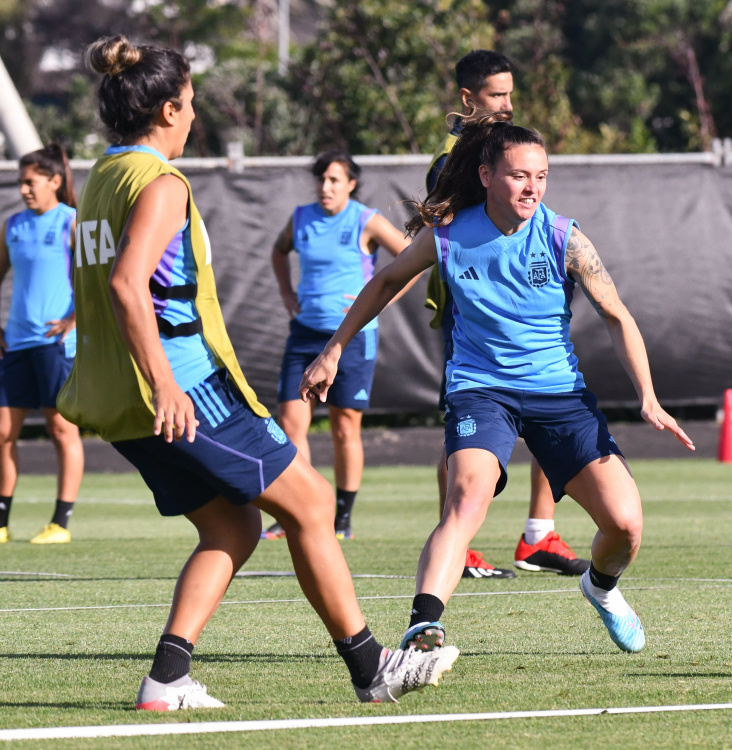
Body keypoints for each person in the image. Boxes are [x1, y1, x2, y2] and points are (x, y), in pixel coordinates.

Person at [58, 34, 458, 710]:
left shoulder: (103, 176)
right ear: (164, 111)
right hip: (184, 389)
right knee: (310, 505)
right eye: (187, 105)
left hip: (120, 397)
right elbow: (128, 286)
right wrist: (165, 382)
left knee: (234, 528)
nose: (192, 117)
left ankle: (166, 678)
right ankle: (372, 667)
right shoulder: (158, 181)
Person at [299, 111, 695, 656]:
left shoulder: (564, 237)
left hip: (559, 395)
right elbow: (387, 280)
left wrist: (648, 397)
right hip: (480, 390)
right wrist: (333, 350)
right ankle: (423, 627)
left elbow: (617, 316)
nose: (532, 186)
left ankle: (600, 588)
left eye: (541, 175)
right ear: (486, 176)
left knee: (625, 526)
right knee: (466, 500)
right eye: (518, 175)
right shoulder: (449, 234)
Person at [426, 49, 589, 579]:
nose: (507, 104)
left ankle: (539, 534)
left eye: (511, 93)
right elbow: (447, 236)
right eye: (497, 95)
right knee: (465, 431)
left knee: (550, 399)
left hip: (532, 304)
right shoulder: (454, 161)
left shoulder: (515, 148)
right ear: (469, 99)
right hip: (475, 313)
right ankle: (460, 537)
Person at [261, 151, 409, 542]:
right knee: (291, 423)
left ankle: (342, 517)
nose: (325, 187)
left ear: (351, 184)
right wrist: (286, 293)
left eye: (334, 180)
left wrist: (383, 300)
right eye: (321, 179)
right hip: (305, 335)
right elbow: (278, 251)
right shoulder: (301, 218)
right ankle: (298, 509)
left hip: (353, 339)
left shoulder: (365, 219)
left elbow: (411, 259)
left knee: (345, 427)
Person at [0, 144, 84, 545]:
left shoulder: (71, 222)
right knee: (2, 432)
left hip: (56, 345)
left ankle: (60, 523)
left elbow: (96, 278)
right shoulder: (12, 225)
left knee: (60, 430)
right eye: (20, 183)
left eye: (30, 182)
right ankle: (1, 521)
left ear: (54, 181)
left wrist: (72, 319)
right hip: (15, 344)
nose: (24, 190)